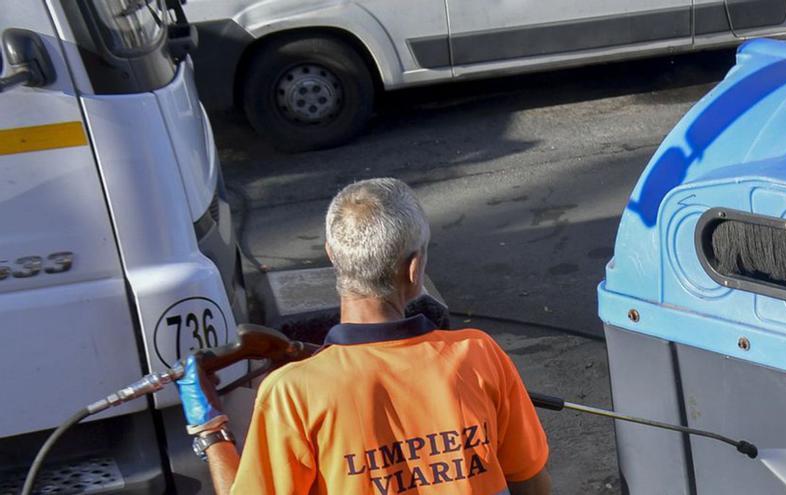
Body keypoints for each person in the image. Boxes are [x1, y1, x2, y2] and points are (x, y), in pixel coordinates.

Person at [176, 178, 551, 494]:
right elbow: (531, 482)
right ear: (415, 268)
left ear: (332, 256)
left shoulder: (293, 393)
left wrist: (209, 430)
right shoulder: (478, 354)